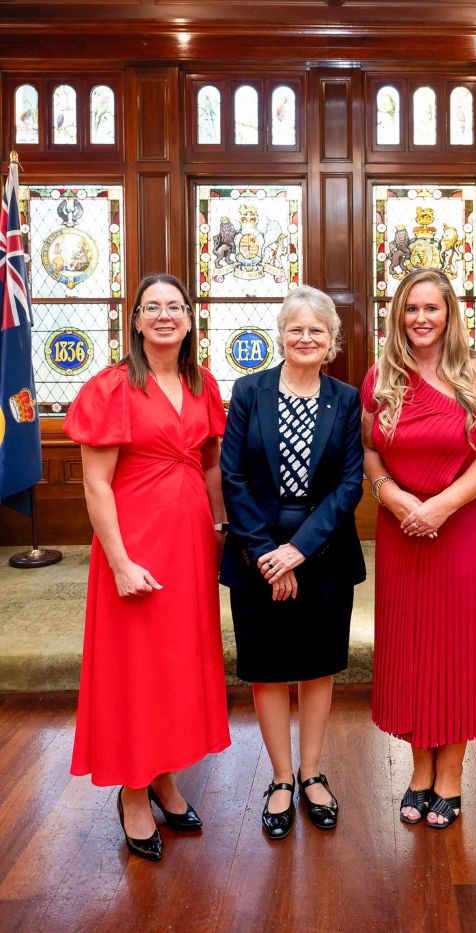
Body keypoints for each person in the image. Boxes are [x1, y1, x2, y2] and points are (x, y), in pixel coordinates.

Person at [64, 274, 231, 861]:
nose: (164, 316)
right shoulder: (112, 387)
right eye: (152, 308)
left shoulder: (201, 382)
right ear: (135, 321)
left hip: (189, 542)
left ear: (189, 320)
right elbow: (95, 484)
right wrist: (120, 562)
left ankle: (163, 776)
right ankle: (134, 794)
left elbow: (210, 465)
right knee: (136, 667)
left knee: (177, 663)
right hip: (135, 544)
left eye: (175, 307)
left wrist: (218, 531)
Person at [361, 268, 476, 828]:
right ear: (397, 316)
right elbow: (370, 450)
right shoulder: (381, 376)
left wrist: (442, 506)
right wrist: (395, 498)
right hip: (402, 529)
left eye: (432, 308)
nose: (421, 319)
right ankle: (418, 770)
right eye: (410, 309)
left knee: (455, 647)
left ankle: (450, 775)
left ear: (451, 315)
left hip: (462, 527)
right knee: (410, 645)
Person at [219, 284, 365, 840]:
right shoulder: (249, 391)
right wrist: (267, 556)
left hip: (322, 550)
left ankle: (312, 772)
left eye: (317, 331)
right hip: (256, 549)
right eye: (296, 329)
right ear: (281, 334)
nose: (306, 338)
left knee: (316, 664)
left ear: (332, 341)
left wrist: (298, 551)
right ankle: (281, 778)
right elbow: (233, 477)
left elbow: (350, 483)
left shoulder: (346, 399)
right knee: (269, 667)